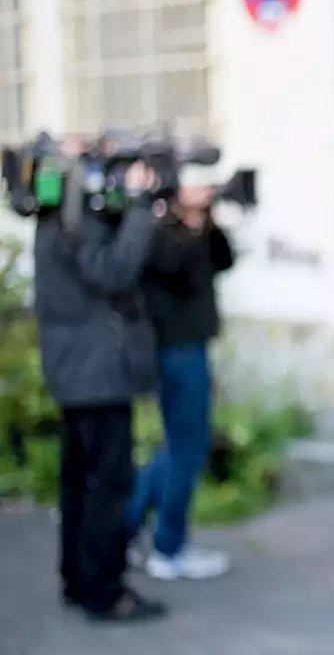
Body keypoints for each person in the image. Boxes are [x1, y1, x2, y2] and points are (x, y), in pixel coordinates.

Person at [33, 158, 170, 623]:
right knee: (107, 485)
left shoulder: (55, 218)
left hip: (78, 371)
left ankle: (78, 579)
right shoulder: (77, 224)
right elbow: (114, 271)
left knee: (79, 482)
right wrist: (138, 208)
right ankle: (104, 591)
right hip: (98, 374)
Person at [126, 184, 235, 580]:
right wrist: (188, 222)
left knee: (180, 445)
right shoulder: (157, 230)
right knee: (188, 447)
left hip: (193, 346)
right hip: (174, 349)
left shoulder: (191, 229)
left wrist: (209, 222)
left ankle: (126, 525)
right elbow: (179, 274)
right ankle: (167, 547)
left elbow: (224, 260)